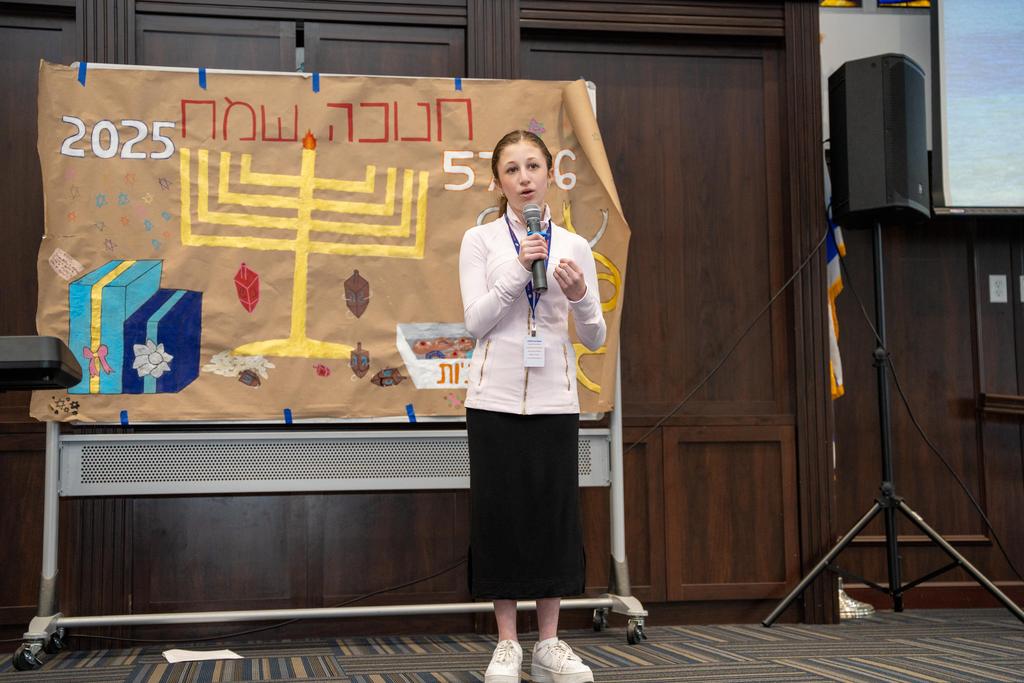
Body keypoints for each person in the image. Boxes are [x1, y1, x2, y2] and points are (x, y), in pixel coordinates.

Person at [458, 129, 606, 683]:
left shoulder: (575, 246)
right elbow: (475, 322)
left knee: (552, 516)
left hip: (554, 399)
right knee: (500, 515)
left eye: (533, 167)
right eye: (512, 170)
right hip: (493, 398)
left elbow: (595, 335)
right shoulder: (480, 241)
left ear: (550, 174)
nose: (524, 179)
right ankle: (506, 643)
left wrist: (580, 297)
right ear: (498, 182)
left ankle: (548, 642)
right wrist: (520, 267)